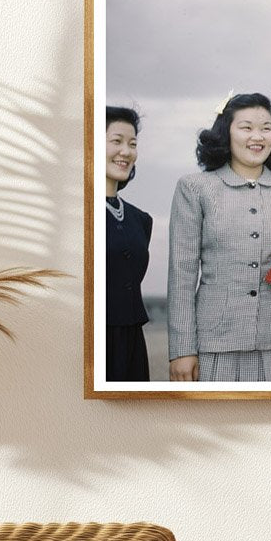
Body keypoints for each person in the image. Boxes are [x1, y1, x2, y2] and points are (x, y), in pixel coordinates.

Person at [167, 92, 271, 382]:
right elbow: (181, 274)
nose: (257, 136)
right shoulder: (194, 188)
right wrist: (182, 349)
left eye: (266, 128)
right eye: (246, 127)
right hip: (213, 346)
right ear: (226, 132)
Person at [105, 105, 153, 381]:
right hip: (89, 338)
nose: (126, 151)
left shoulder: (141, 220)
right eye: (117, 141)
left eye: (132, 144)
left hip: (132, 340)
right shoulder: (78, 212)